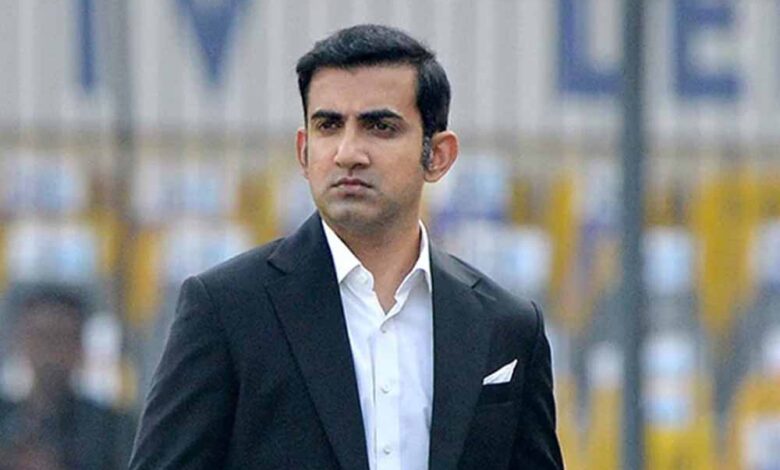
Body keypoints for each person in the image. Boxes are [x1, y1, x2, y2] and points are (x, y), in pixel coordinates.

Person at [129, 24, 563, 470]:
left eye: (380, 127)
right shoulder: (226, 309)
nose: (348, 152)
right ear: (304, 151)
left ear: (437, 155)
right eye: (329, 125)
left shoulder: (507, 325)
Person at [0, 286, 133, 470]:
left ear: (79, 345)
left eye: (61, 338)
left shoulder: (111, 430)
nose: (49, 352)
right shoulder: (6, 419)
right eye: (41, 337)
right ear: (22, 340)